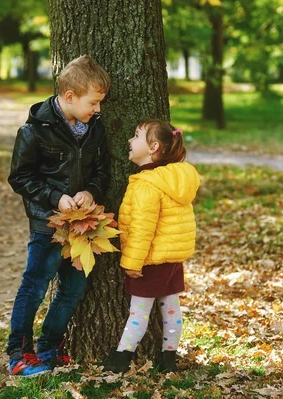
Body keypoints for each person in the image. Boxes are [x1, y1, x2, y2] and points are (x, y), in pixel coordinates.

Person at [6, 55, 111, 376]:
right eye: (93, 102)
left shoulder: (94, 129)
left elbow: (103, 169)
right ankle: (18, 354)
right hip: (47, 225)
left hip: (82, 228)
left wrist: (91, 191)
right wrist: (56, 197)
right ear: (69, 97)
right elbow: (20, 177)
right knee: (35, 285)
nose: (98, 109)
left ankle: (49, 347)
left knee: (74, 288)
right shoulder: (34, 130)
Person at [101, 119, 199, 373]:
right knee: (170, 307)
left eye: (136, 136)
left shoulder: (147, 184)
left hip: (151, 259)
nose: (129, 141)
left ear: (153, 147)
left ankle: (121, 359)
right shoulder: (177, 178)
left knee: (139, 312)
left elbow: (143, 228)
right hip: (172, 258)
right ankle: (169, 359)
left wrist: (132, 263)